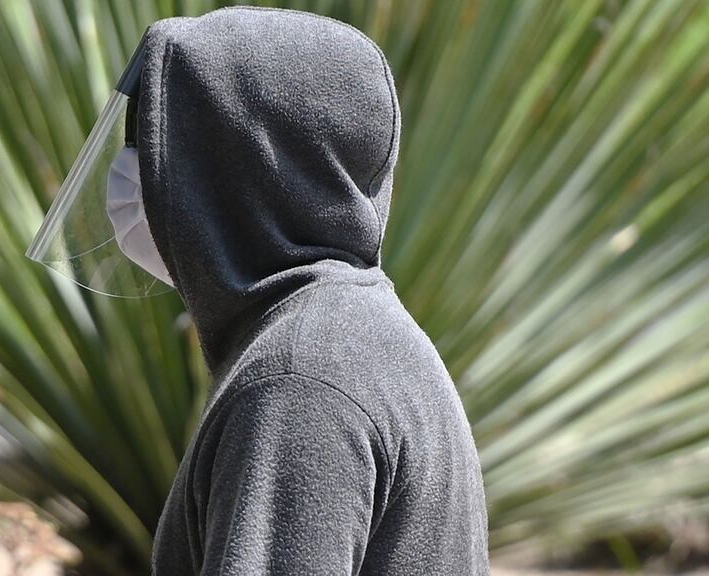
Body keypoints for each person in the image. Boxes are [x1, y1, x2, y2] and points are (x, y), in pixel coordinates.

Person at [106, 6, 490, 575]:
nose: (133, 173)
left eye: (159, 149)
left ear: (227, 174)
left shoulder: (297, 383)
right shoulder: (351, 332)